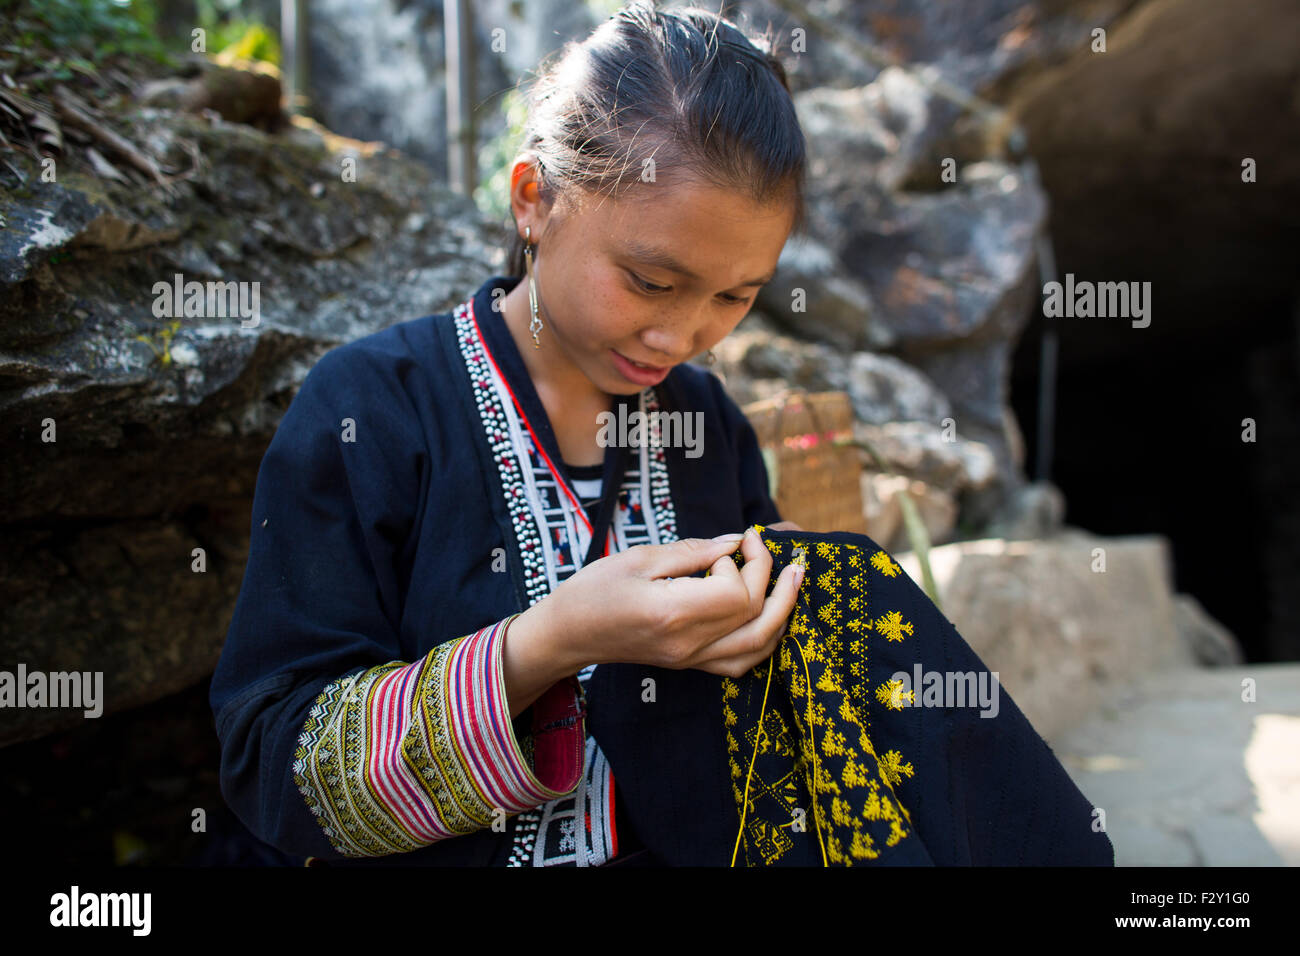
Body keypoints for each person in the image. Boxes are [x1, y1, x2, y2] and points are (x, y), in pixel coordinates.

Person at [209, 0, 810, 866]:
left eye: (735, 295)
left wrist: (794, 604)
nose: (682, 339)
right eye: (648, 281)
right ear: (535, 200)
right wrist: (546, 644)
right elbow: (274, 765)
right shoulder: (374, 410)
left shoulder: (704, 425)